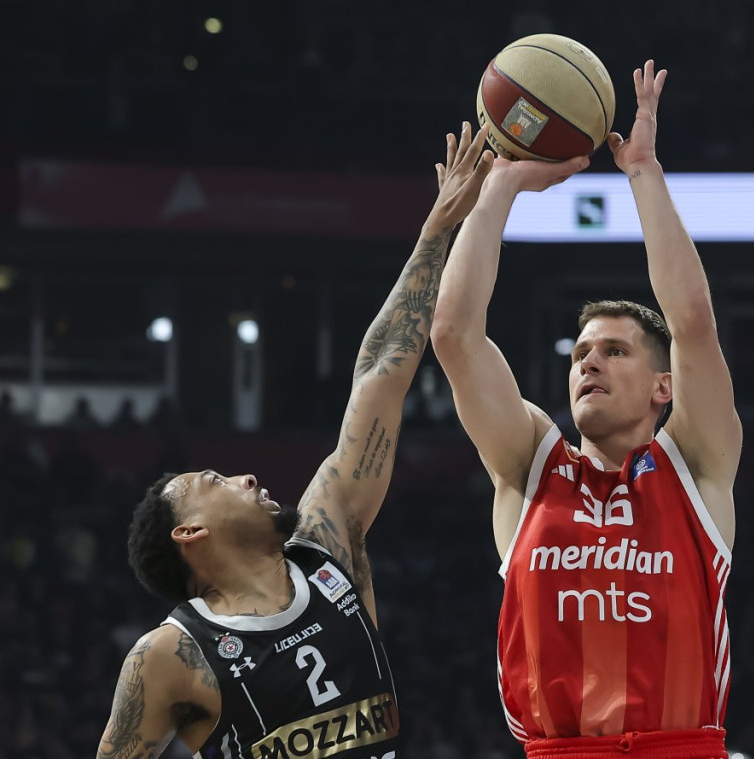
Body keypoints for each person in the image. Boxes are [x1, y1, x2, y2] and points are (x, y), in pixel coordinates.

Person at [97, 123, 494, 759]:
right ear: (189, 532)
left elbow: (378, 375)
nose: (246, 477)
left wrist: (436, 230)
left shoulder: (325, 546)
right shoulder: (170, 655)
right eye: (215, 482)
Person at [431, 61, 741, 759]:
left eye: (614, 351)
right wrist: (501, 183)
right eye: (579, 354)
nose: (588, 363)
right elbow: (453, 335)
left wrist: (643, 173)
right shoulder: (530, 464)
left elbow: (693, 324)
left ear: (663, 387)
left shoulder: (695, 465)